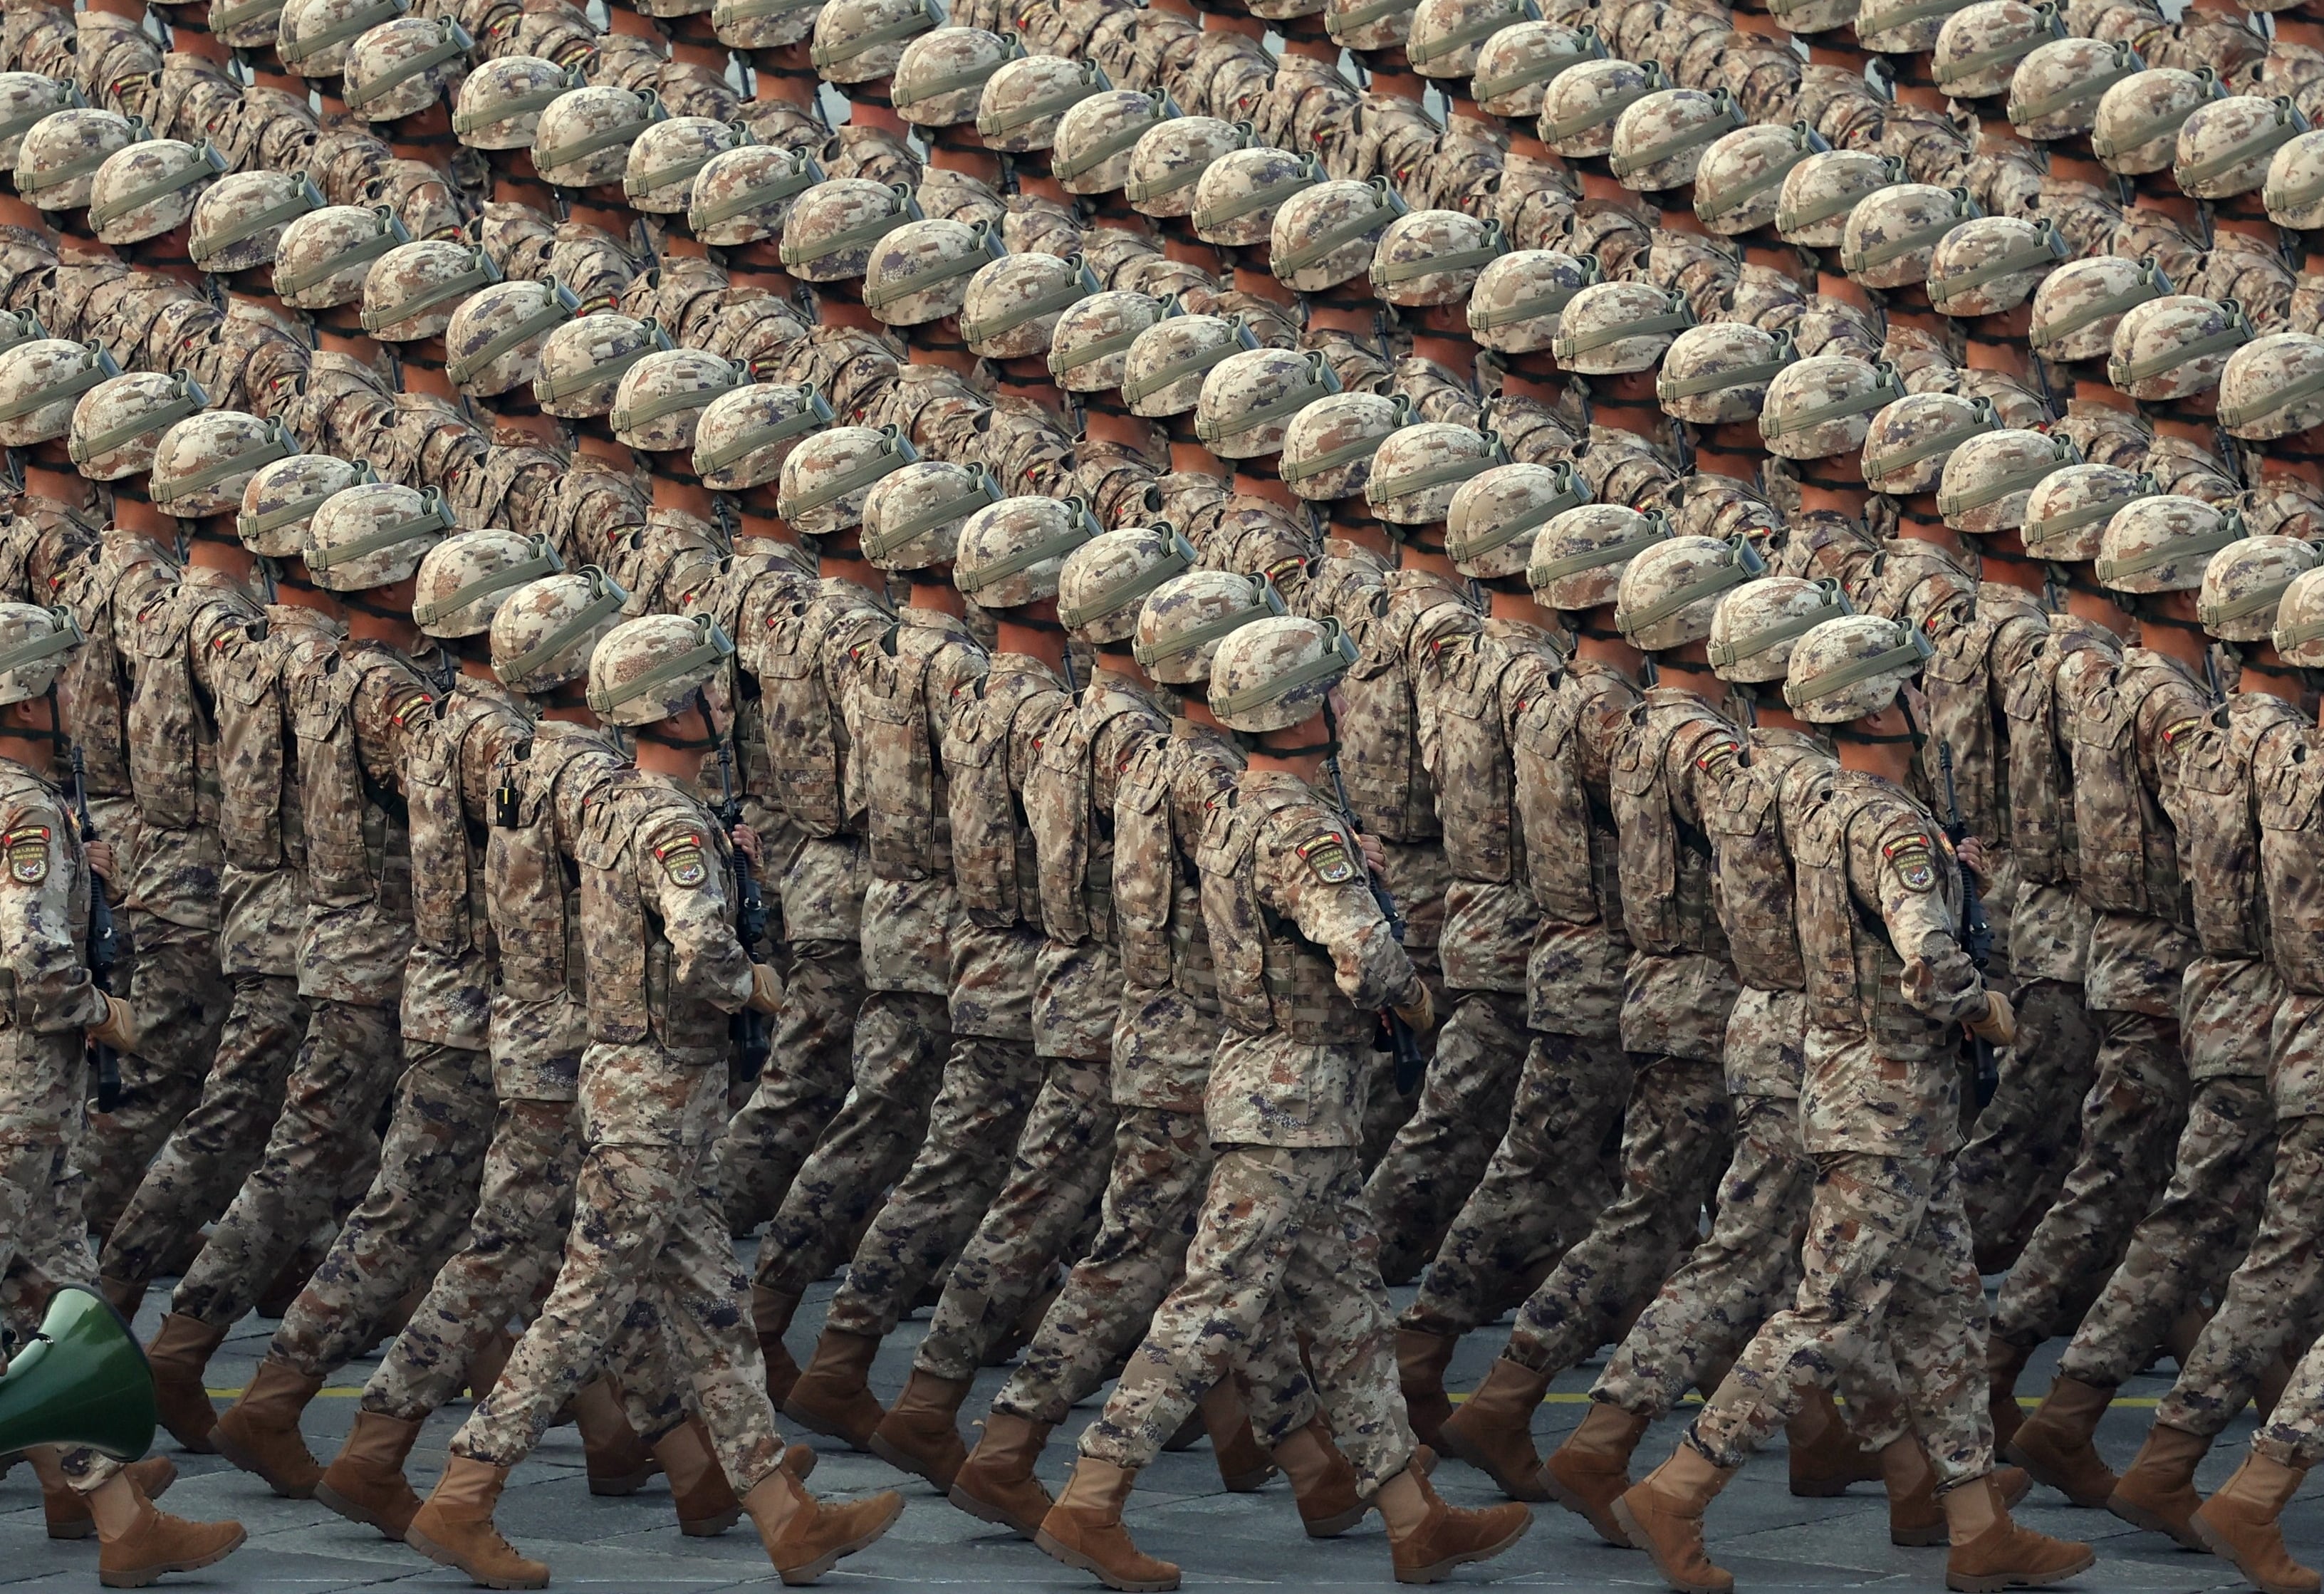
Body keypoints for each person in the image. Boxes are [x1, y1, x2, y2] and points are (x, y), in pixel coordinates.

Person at [1036, 610, 1529, 1590]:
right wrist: (1419, 1004)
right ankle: (1091, 1497)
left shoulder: (1237, 806)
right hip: (1292, 1102)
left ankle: (1411, 1516)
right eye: (1330, 690)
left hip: (1278, 1091)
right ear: (1301, 710)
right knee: (1214, 1304)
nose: (1343, 703)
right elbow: (1367, 956)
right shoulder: (1301, 824)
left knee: (1348, 1310)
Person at [410, 611, 904, 1588]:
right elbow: (705, 955)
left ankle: (783, 1514)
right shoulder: (673, 822)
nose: (723, 702)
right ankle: (463, 1494)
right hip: (656, 1093)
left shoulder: (619, 805)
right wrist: (763, 984)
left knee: (713, 1305)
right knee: (582, 1308)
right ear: (671, 710)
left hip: (639, 1084)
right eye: (708, 689)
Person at [1616, 613, 2088, 1594]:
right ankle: (1679, 1487)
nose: (1925, 699)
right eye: (1910, 684)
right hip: (1888, 1102)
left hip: (1860, 1087)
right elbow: (1929, 963)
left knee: (1946, 1310)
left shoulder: (1820, 801)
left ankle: (1976, 1526)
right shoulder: (1891, 824)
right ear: (1876, 704)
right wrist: (1989, 1009)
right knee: (1827, 1313)